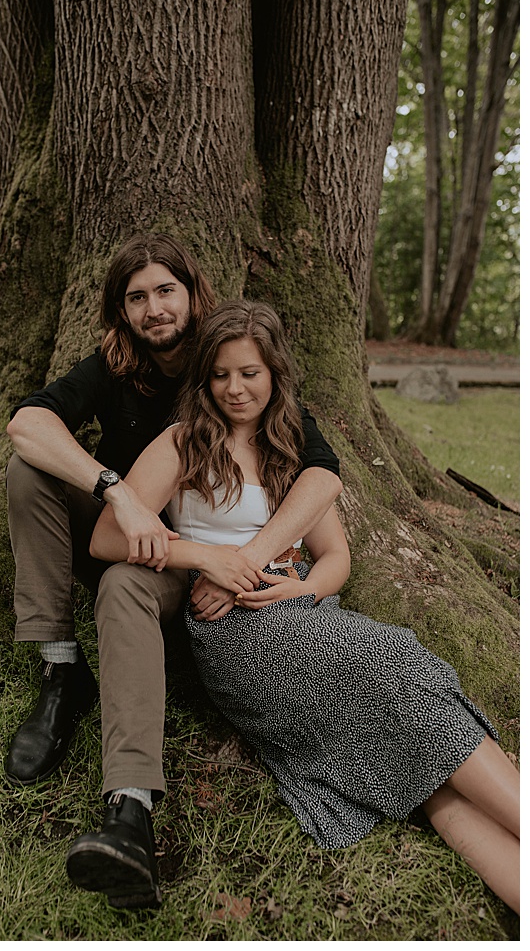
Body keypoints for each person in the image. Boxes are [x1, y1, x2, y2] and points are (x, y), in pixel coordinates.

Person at [82, 299, 519, 912]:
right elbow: (108, 536)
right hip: (236, 637)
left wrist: (297, 586)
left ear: (275, 376)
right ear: (204, 379)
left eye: (250, 374)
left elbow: (335, 558)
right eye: (221, 375)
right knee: (396, 671)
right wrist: (209, 559)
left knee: (426, 775)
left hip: (305, 613)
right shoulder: (182, 443)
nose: (235, 389)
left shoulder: (293, 454)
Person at [4, 233, 343, 908]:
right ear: (121, 310)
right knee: (29, 469)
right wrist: (119, 494)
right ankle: (64, 672)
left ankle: (127, 808)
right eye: (136, 297)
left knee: (130, 581)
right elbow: (27, 424)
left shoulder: (234, 363)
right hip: (139, 537)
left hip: (205, 555)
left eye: (166, 290)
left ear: (193, 294)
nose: (154, 308)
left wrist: (243, 561)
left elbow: (322, 476)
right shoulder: (115, 363)